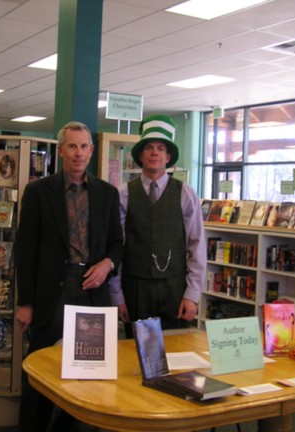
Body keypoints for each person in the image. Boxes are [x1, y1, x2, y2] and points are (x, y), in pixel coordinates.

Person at [15, 121, 123, 432]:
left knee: (89, 373)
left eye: (84, 146)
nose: (78, 153)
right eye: (72, 146)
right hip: (52, 293)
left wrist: (106, 265)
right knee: (41, 372)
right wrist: (25, 303)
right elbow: (26, 250)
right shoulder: (38, 192)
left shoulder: (107, 194)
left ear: (92, 151)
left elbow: (117, 243)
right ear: (61, 150)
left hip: (92, 291)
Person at [110, 114, 207, 336]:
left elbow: (197, 246)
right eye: (149, 148)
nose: (155, 153)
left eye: (161, 148)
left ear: (168, 156)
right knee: (135, 355)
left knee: (176, 355)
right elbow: (116, 247)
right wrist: (117, 296)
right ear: (141, 155)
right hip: (135, 289)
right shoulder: (123, 194)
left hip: (174, 289)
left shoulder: (185, 193)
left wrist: (191, 295)